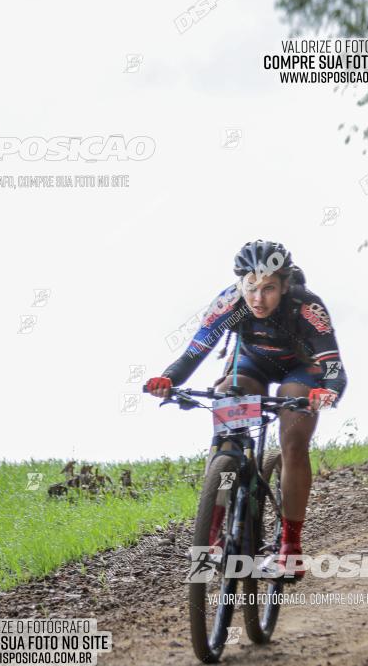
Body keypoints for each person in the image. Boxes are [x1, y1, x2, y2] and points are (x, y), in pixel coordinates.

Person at [145, 239, 347, 575]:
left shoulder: (306, 306)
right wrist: (167, 380)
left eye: (268, 288)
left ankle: (291, 546)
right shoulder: (231, 301)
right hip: (250, 365)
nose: (257, 298)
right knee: (226, 399)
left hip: (298, 369)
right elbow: (195, 352)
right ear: (241, 283)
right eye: (251, 287)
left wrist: (328, 393)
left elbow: (334, 367)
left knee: (294, 441)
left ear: (285, 285)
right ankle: (213, 525)